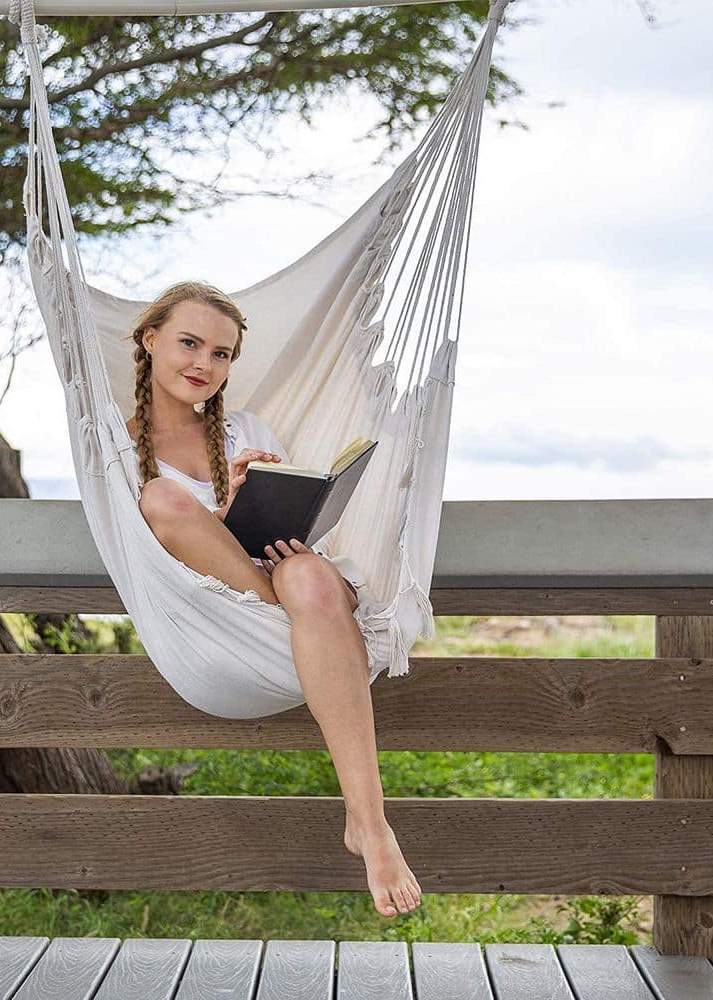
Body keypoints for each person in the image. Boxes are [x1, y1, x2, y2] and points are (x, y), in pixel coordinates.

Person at [124, 280, 422, 919]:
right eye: (190, 343)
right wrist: (220, 514)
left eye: (222, 354)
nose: (205, 363)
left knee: (309, 576)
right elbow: (165, 541)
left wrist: (255, 505)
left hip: (288, 583)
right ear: (150, 341)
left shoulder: (246, 429)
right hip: (219, 613)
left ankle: (369, 823)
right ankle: (289, 617)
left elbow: (289, 534)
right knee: (162, 499)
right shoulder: (116, 452)